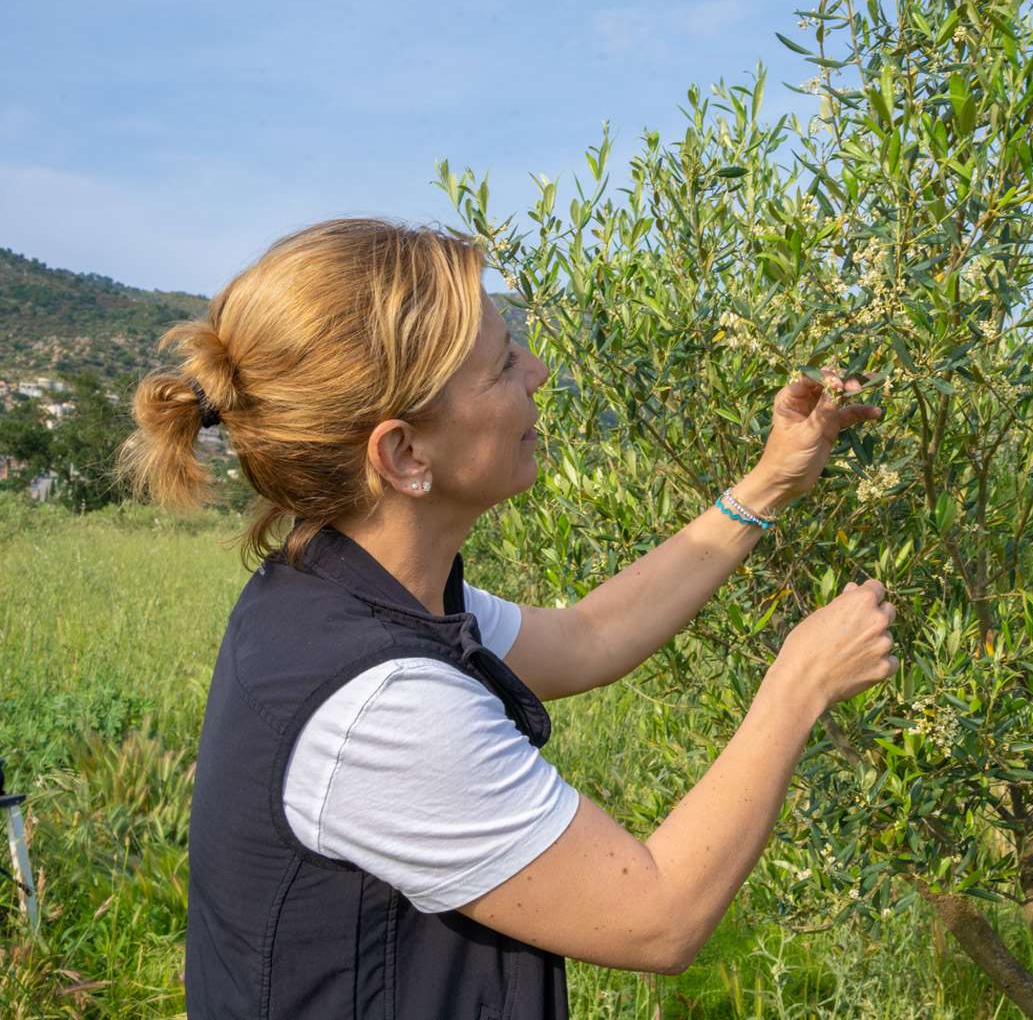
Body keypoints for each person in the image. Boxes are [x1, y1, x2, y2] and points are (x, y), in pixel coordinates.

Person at [114, 217, 896, 1019]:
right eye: (502, 364)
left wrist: (768, 484)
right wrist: (801, 683)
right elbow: (657, 919)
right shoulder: (380, 705)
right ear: (404, 455)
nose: (540, 372)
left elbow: (588, 637)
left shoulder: (340, 588)